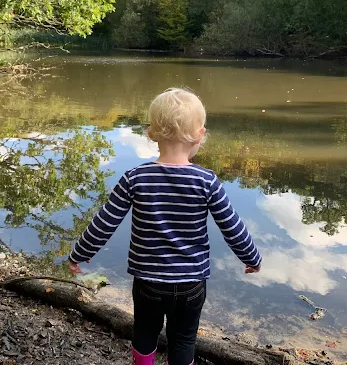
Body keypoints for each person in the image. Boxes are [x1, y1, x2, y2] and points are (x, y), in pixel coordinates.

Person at [68, 88, 262, 365]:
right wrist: (251, 258)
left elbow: (104, 222)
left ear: (151, 132)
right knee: (183, 339)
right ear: (200, 134)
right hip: (191, 283)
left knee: (145, 332)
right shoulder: (207, 181)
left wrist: (79, 253)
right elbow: (232, 226)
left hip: (148, 282)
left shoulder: (135, 178)